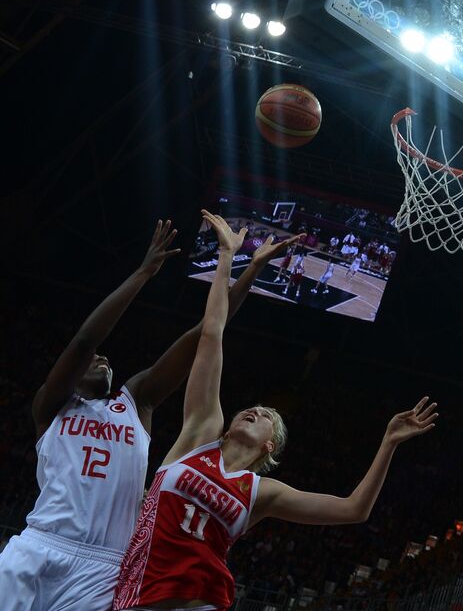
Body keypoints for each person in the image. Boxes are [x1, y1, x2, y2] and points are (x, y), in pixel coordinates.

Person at [113, 211, 437, 611]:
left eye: (265, 414)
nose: (253, 410)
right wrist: (229, 257)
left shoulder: (262, 493)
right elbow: (212, 334)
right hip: (140, 595)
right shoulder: (200, 434)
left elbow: (354, 509)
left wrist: (388, 442)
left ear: (270, 446)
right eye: (250, 408)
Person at [0, 219, 300, 611]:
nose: (102, 359)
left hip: (104, 566)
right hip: (41, 542)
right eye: (92, 362)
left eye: (104, 358)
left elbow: (206, 333)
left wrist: (252, 270)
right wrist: (143, 273)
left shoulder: (136, 403)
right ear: (71, 377)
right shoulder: (51, 406)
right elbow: (86, 339)